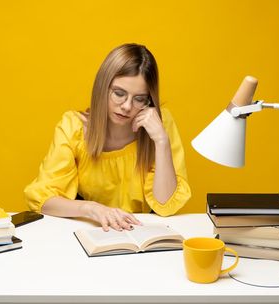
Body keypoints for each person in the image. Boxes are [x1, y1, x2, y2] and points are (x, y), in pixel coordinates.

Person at [24, 43, 191, 231]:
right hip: (92, 229)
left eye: (139, 99)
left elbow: (166, 205)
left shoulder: (161, 124)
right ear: (102, 88)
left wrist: (161, 141)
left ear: (149, 100)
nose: (127, 106)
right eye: (119, 94)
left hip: (142, 230)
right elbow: (42, 199)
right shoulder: (73, 127)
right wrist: (91, 209)